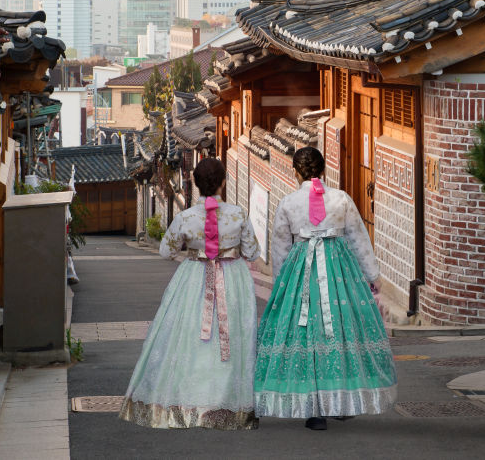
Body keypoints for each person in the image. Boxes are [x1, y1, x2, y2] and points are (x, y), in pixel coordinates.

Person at [254, 147, 397, 430]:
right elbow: (358, 238)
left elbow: (280, 247)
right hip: (339, 272)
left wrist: (282, 284)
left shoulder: (288, 203)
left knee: (306, 335)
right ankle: (340, 400)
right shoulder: (341, 198)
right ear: (323, 170)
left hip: (301, 273)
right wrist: (372, 274)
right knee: (341, 331)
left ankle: (314, 410)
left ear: (296, 172)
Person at [119, 158, 260, 430]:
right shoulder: (238, 214)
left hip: (194, 278)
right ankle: (231, 405)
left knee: (191, 338)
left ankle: (186, 402)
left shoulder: (185, 217)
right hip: (233, 280)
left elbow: (166, 251)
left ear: (195, 184)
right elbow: (253, 252)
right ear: (223, 182)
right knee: (231, 337)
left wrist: (194, 247)